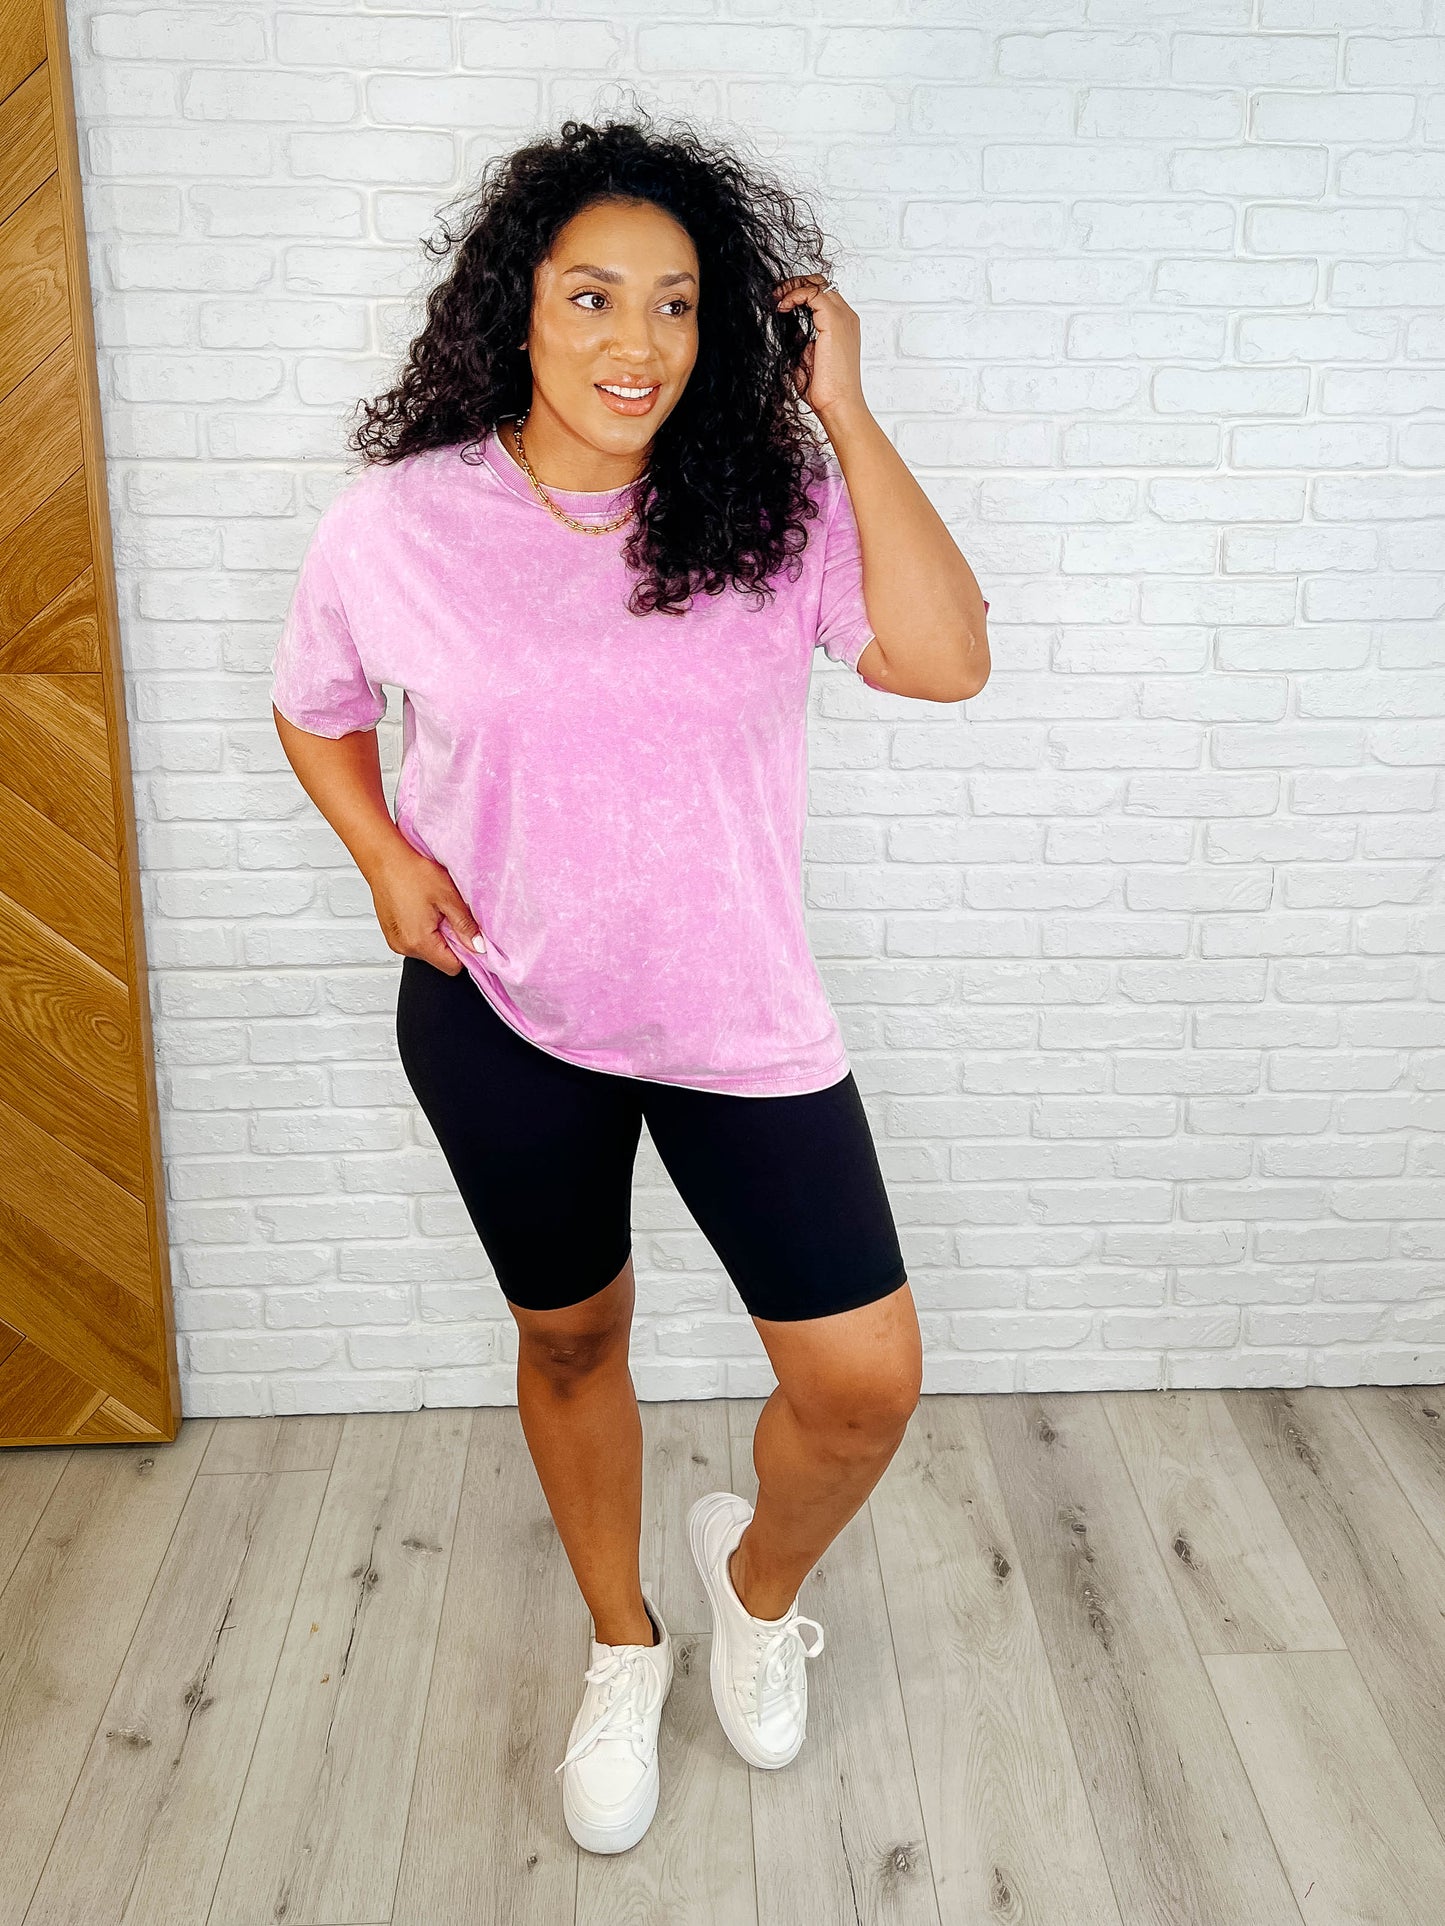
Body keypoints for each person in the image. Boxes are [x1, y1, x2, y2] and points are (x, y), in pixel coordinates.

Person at [271, 111, 989, 1857]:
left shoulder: (767, 503)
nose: (636, 342)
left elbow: (946, 660)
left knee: (861, 1383)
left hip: (736, 1017)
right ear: (512, 308)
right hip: (502, 1009)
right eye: (591, 296)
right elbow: (316, 706)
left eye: (676, 303)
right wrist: (381, 857)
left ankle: (752, 1587)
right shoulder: (397, 523)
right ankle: (621, 1641)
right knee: (571, 1334)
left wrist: (845, 412)